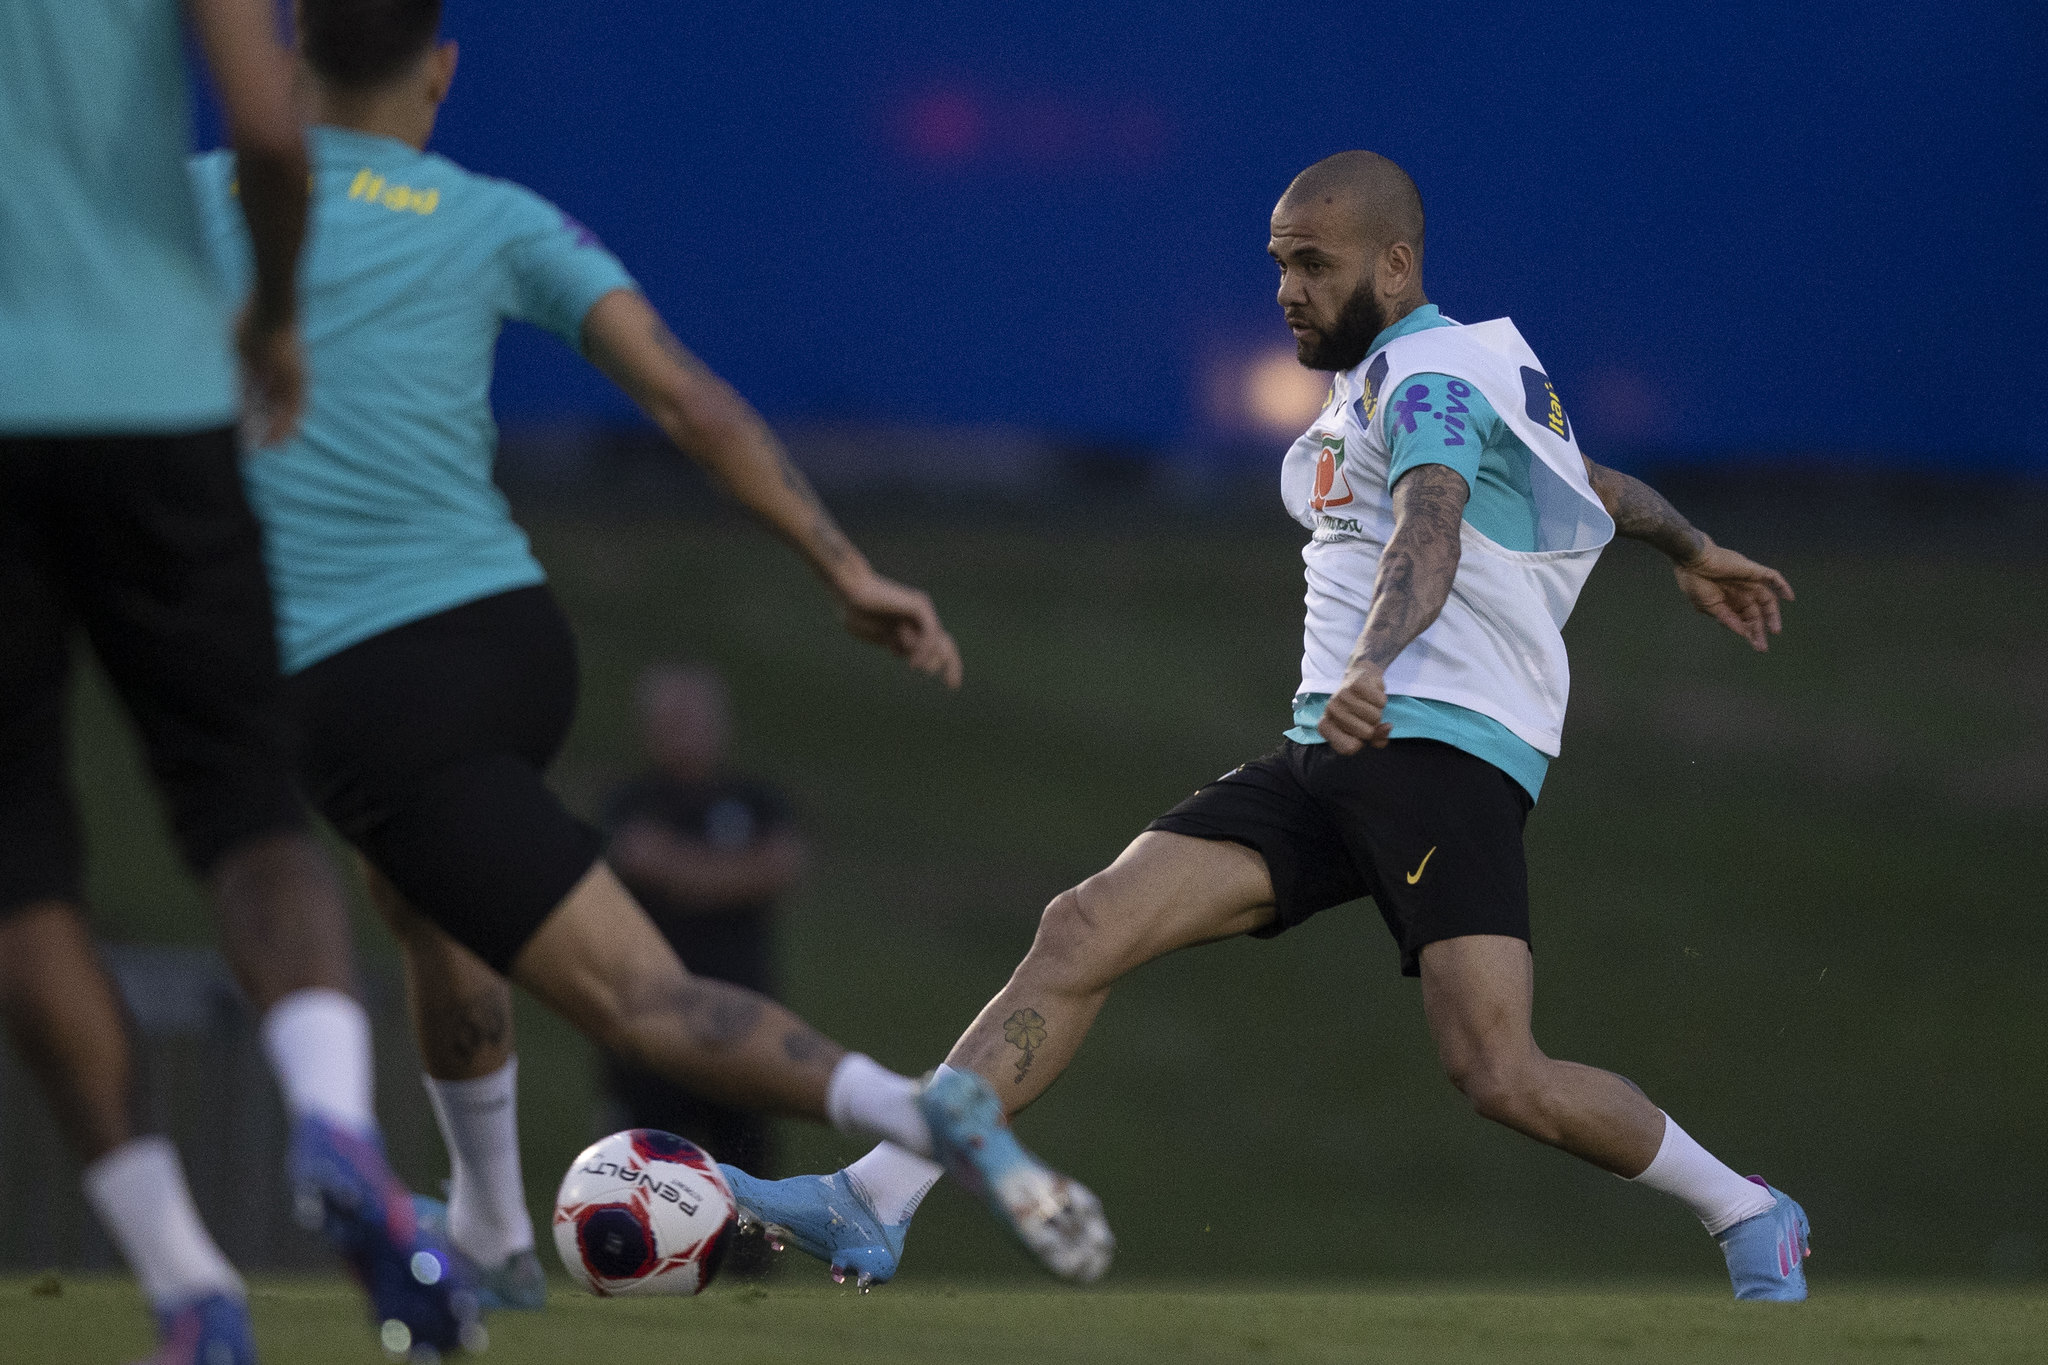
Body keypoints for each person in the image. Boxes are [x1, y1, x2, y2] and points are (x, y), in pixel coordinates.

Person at [731, 150, 1812, 1302]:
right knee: (1083, 927)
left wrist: (1371, 662)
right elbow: (1587, 480)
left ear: (1393, 265)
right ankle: (875, 1197)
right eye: (1278, 265)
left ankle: (1748, 1211)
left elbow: (1430, 525)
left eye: (1312, 265)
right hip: (1332, 753)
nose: (1286, 291)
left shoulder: (1426, 380)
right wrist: (1692, 546)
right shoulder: (1436, 371)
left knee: (1498, 1073)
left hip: (1437, 752)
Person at [189, 0, 1113, 1300]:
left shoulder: (199, 201)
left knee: (638, 1001)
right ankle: (495, 1229)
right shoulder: (496, 216)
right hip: (510, 635)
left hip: (368, 672)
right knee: (422, 901)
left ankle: (911, 1111)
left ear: (287, 58)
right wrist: (841, 567)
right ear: (440, 71)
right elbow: (691, 401)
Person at [0, 3, 474, 1361]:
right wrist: (269, 314)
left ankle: (187, 1283)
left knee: (20, 876)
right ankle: (333, 1123)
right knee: (247, 811)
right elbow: (270, 128)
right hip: (155, 390)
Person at [602, 664, 798, 1174]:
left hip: (744, 1020)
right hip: (651, 1022)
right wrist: (730, 873)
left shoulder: (756, 800)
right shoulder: (631, 802)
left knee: (748, 1176)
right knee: (642, 1174)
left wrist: (683, 871)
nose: (687, 733)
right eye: (674, 720)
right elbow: (635, 857)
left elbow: (780, 865)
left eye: (696, 719)